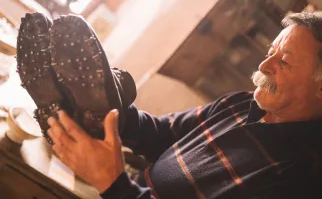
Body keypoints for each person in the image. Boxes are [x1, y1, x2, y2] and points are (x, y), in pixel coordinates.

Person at [46, 11, 322, 199]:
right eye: (269, 53)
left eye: (283, 61)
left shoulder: (301, 177)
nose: (263, 66)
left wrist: (114, 183)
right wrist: (112, 110)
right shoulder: (240, 104)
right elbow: (163, 134)